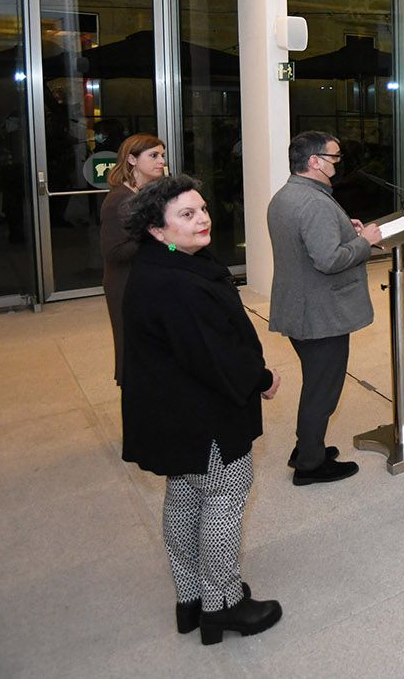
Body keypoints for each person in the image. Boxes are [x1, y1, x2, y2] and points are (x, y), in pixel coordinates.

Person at [121, 175, 284, 643]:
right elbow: (214, 355)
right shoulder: (177, 283)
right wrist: (262, 379)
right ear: (156, 229)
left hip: (172, 412)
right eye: (187, 215)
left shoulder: (165, 264)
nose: (203, 219)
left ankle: (190, 597)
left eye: (203, 209)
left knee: (187, 492)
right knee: (224, 498)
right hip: (201, 413)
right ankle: (223, 603)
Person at [267, 132, 381, 485]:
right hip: (320, 313)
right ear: (314, 161)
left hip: (300, 305)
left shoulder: (288, 194)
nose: (338, 163)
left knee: (317, 383)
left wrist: (347, 230)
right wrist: (364, 242)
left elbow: (310, 242)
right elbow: (328, 260)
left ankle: (307, 447)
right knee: (322, 390)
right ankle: (310, 465)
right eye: (334, 157)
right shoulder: (314, 202)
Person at [100, 133, 167, 386]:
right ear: (131, 159)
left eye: (162, 155)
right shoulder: (119, 200)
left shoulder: (141, 194)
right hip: (125, 286)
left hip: (144, 281)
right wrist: (156, 237)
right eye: (153, 156)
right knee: (132, 349)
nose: (161, 161)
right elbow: (114, 253)